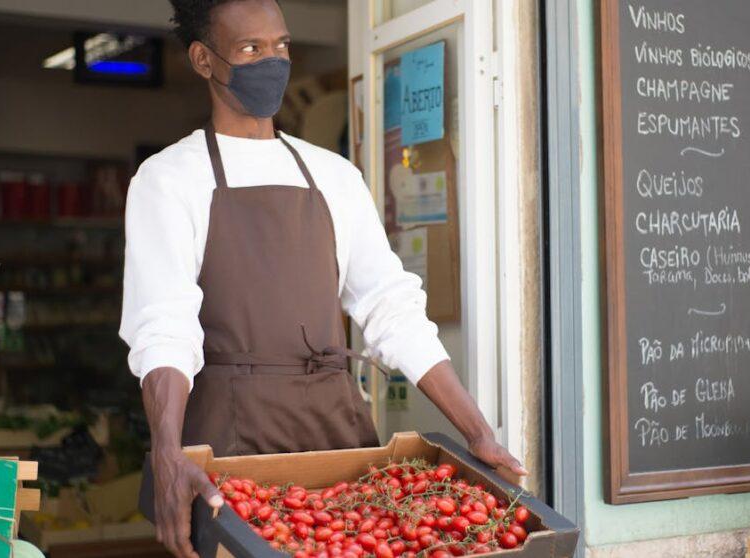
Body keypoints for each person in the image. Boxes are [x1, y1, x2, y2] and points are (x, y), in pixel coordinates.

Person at [119, 1, 526, 556]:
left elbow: (391, 309)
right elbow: (164, 326)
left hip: (337, 430)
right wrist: (167, 451)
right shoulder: (169, 179)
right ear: (203, 59)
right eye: (250, 49)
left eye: (281, 46)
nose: (272, 61)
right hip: (232, 438)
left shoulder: (335, 175)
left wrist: (477, 430)